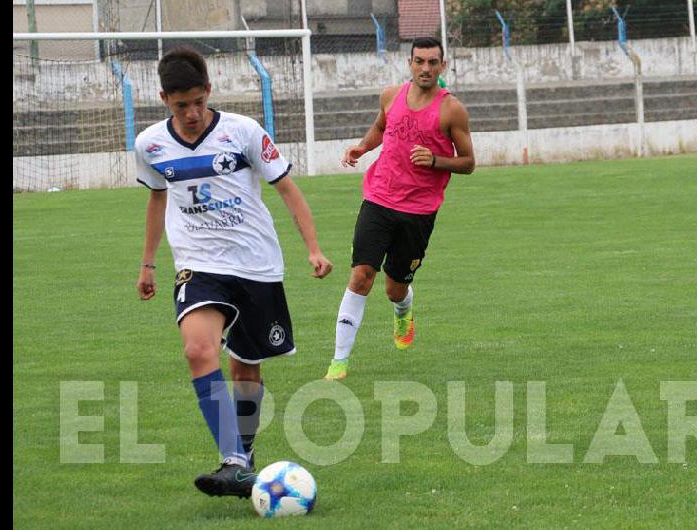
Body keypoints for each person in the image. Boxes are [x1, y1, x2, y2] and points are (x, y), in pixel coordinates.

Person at [135, 46, 332, 498]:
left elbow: (287, 188)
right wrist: (148, 263)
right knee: (197, 349)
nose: (191, 113)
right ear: (164, 98)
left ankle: (243, 456)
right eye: (180, 104)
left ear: (209, 90)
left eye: (198, 101)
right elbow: (156, 198)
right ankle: (234, 459)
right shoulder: (150, 144)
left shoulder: (243, 132)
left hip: (256, 265)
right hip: (199, 265)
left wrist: (314, 249)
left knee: (246, 369)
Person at [324, 37, 475, 381]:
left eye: (432, 62)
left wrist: (436, 160)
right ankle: (339, 362)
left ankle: (403, 310)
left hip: (419, 211)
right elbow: (380, 128)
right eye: (419, 61)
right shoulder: (391, 95)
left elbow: (468, 163)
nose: (425, 68)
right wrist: (362, 148)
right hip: (378, 198)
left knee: (394, 287)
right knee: (362, 275)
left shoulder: (451, 109)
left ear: (443, 66)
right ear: (409, 63)